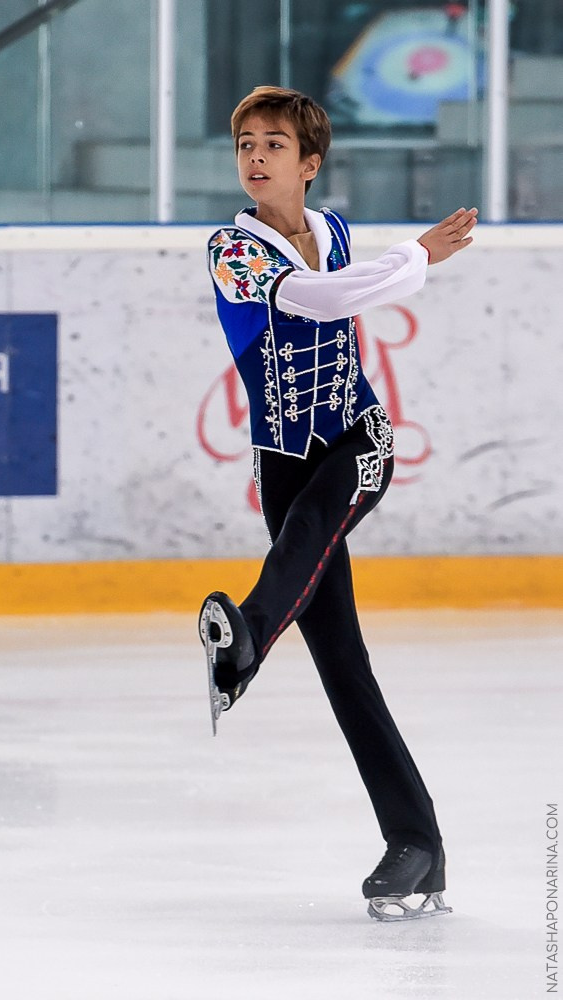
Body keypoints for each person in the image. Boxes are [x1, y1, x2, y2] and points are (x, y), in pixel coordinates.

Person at [199, 85, 477, 921]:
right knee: (345, 667)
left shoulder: (337, 233)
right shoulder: (230, 250)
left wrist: (400, 262)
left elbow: (345, 289)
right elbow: (322, 300)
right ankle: (416, 845)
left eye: (274, 145)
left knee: (314, 529)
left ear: (309, 164)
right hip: (283, 462)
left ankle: (244, 639)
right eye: (246, 142)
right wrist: (418, 257)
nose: (255, 157)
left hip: (360, 441)